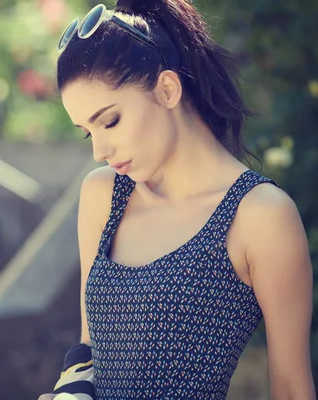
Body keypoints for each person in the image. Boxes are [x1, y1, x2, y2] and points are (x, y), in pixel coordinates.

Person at [38, 0, 315, 399]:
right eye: (87, 132)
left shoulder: (260, 215)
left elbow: (291, 389)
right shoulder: (103, 194)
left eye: (110, 121)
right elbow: (88, 357)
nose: (99, 150)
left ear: (167, 89)